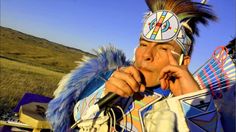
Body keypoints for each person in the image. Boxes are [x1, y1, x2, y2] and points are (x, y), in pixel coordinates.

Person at [46, 0, 233, 131]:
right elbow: (74, 117)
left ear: (182, 62)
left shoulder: (195, 109)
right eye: (143, 44)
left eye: (163, 48)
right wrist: (103, 96)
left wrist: (196, 103)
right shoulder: (112, 78)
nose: (146, 55)